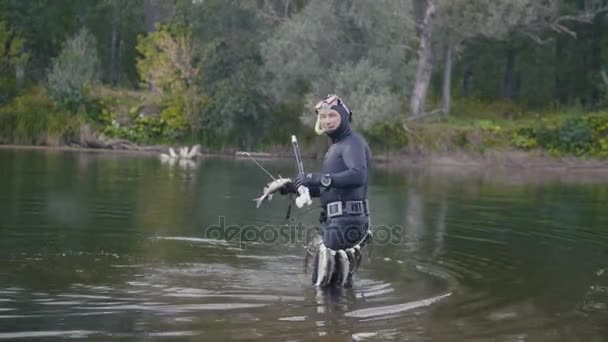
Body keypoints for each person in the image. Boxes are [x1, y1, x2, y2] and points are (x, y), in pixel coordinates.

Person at [282, 94, 372, 288]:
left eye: (332, 115)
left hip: (346, 222)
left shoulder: (352, 142)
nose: (327, 121)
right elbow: (331, 189)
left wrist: (317, 178)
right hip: (341, 221)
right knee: (336, 285)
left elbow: (358, 176)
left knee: (321, 284)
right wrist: (294, 187)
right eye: (323, 117)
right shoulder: (337, 146)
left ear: (345, 117)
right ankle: (342, 316)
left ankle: (326, 317)